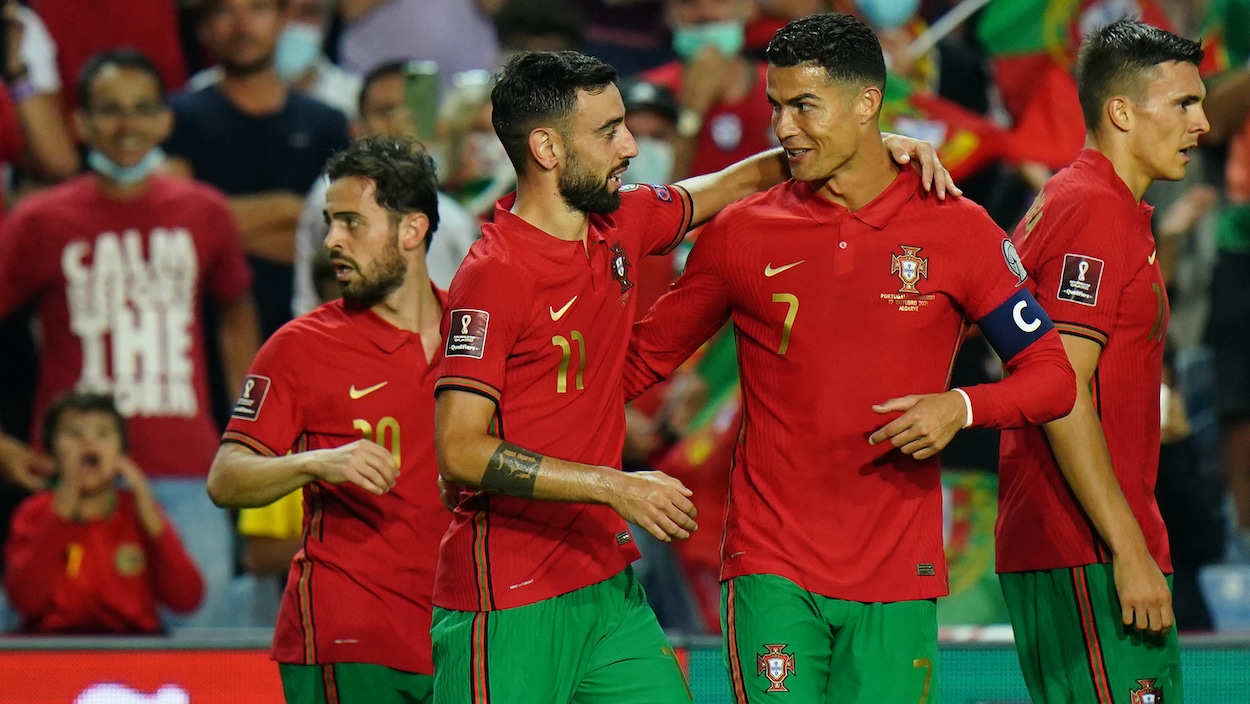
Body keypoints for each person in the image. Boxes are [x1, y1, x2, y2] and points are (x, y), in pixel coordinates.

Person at [432, 48, 956, 703]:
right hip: (508, 595)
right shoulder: (495, 275)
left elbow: (732, 184)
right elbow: (458, 450)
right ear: (546, 147)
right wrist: (612, 486)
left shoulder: (618, 223)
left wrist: (870, 146)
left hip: (603, 586)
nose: (628, 146)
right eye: (607, 131)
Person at [620, 13, 1077, 702]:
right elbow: (636, 365)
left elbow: (1052, 375)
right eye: (775, 106)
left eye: (805, 106)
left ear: (869, 103)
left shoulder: (957, 229)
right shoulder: (741, 234)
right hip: (770, 561)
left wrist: (961, 406)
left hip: (897, 572)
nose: (784, 127)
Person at [0, 48, 259, 630]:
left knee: (204, 648)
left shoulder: (205, 212)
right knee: (41, 647)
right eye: (110, 110)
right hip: (70, 474)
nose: (127, 126)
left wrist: (248, 427)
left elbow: (236, 312)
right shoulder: (41, 221)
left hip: (186, 469)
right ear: (81, 123)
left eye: (143, 109)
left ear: (165, 121)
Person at [995, 19, 1210, 703]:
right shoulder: (1090, 208)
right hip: (1085, 544)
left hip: (1097, 538)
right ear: (1121, 110)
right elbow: (1060, 389)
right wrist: (1128, 548)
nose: (1202, 122)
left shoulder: (1097, 204)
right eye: (1183, 103)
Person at [206, 135, 449, 703]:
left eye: (351, 223)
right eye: (328, 223)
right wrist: (318, 461)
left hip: (460, 633)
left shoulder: (478, 333)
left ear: (411, 231)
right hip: (351, 634)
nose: (331, 241)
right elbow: (226, 476)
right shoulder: (299, 348)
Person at [165, 0, 350, 340]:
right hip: (206, 327)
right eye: (224, 12)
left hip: (310, 326)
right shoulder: (178, 119)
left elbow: (335, 236)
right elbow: (177, 226)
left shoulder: (328, 123)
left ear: (283, 19)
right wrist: (287, 209)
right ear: (203, 28)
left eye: (258, 9)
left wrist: (221, 233)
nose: (242, 26)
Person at [291, 60, 482, 315]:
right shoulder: (334, 194)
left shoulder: (454, 205)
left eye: (413, 110)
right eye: (387, 111)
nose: (402, 122)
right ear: (357, 127)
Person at [4, 392, 203, 634]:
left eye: (103, 433)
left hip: (132, 652)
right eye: (74, 434)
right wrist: (61, 515)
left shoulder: (139, 513)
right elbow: (24, 600)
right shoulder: (34, 513)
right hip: (53, 651)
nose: (89, 443)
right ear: (52, 454)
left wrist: (152, 519)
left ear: (122, 455)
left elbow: (187, 599)